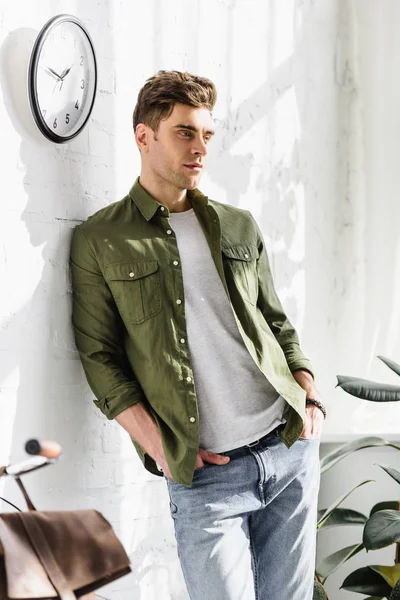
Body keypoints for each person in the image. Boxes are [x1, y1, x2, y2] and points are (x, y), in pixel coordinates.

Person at [70, 70, 326, 600]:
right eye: (185, 132)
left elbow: (276, 323)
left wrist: (310, 397)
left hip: (286, 447)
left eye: (207, 134)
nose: (201, 147)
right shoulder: (101, 239)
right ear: (144, 137)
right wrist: (160, 447)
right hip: (206, 476)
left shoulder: (238, 224)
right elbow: (99, 357)